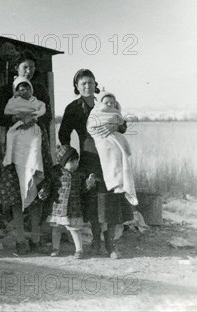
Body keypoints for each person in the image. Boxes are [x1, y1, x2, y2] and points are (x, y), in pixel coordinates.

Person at [59, 69, 133, 259]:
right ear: (77, 86)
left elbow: (122, 124)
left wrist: (115, 126)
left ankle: (110, 244)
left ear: (95, 84)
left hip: (111, 156)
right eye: (83, 83)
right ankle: (96, 242)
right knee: (94, 199)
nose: (87, 86)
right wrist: (69, 157)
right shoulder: (73, 108)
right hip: (90, 156)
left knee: (113, 196)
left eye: (90, 82)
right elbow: (63, 134)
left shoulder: (105, 102)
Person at [0, 52, 52, 254]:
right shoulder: (6, 91)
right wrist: (17, 118)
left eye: (32, 67)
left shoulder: (39, 91)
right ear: (16, 69)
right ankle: (21, 240)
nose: (29, 71)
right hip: (16, 146)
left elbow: (48, 114)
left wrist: (34, 118)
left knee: (36, 191)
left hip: (36, 145)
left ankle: (36, 239)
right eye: (25, 67)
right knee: (15, 195)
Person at [87, 90, 138, 206]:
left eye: (112, 103)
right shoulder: (96, 111)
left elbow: (122, 126)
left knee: (118, 160)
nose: (109, 105)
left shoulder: (116, 112)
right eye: (107, 102)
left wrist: (115, 125)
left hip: (114, 139)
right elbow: (91, 125)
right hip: (100, 143)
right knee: (110, 162)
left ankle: (121, 184)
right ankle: (115, 184)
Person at [2, 76, 46, 210]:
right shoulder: (13, 101)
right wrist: (19, 117)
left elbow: (42, 109)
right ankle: (25, 192)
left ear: (31, 90)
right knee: (21, 165)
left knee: (34, 157)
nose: (24, 91)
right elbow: (8, 111)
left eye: (27, 88)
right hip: (18, 130)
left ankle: (33, 178)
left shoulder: (36, 101)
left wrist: (33, 117)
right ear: (16, 91)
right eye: (21, 89)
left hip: (32, 130)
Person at [47, 145, 91, 259]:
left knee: (74, 229)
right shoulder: (56, 173)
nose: (75, 165)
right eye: (72, 162)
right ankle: (55, 248)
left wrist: (89, 183)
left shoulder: (79, 174)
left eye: (77, 162)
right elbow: (49, 186)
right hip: (58, 206)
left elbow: (83, 189)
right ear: (63, 162)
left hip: (73, 207)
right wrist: (44, 192)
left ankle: (79, 250)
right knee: (56, 229)